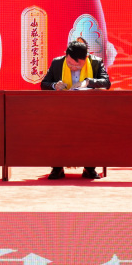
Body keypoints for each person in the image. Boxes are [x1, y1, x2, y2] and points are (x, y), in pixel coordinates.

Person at [40, 40, 111, 180]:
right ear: (66, 55)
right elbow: (44, 84)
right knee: (56, 133)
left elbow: (106, 82)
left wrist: (88, 82)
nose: (73, 67)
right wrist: (54, 85)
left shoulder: (96, 62)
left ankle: (89, 168)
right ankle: (57, 168)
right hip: (61, 110)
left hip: (89, 110)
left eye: (77, 65)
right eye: (70, 63)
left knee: (91, 133)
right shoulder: (57, 63)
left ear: (86, 58)